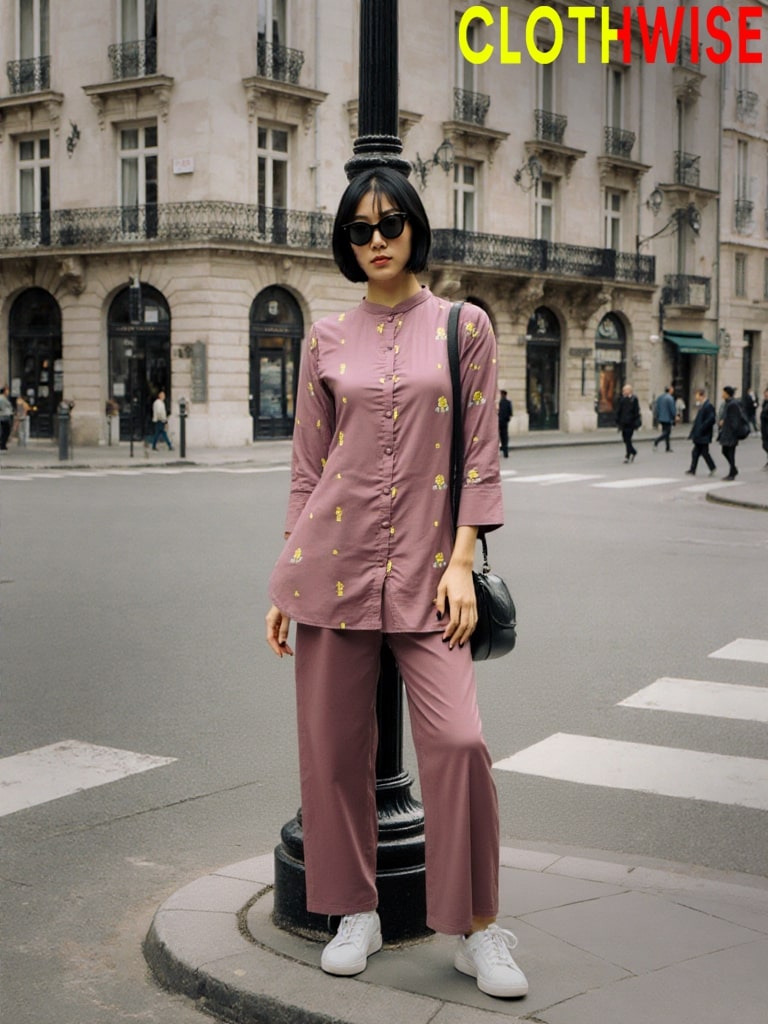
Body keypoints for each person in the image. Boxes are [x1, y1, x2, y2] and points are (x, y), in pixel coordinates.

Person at [265, 166, 528, 1000]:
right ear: (346, 244)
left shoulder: (463, 326)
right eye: (359, 230)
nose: (376, 240)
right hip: (332, 571)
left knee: (459, 743)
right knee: (333, 751)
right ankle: (355, 912)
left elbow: (480, 454)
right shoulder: (324, 340)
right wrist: (285, 581)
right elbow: (307, 471)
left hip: (430, 573)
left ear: (415, 227)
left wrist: (462, 562)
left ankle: (477, 928)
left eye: (389, 224)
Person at [685, 388, 716, 476]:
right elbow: (697, 422)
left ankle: (712, 467)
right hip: (700, 434)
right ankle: (693, 469)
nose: (696, 397)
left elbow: (711, 419)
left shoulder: (708, 406)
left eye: (697, 395)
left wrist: (702, 428)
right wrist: (693, 433)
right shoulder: (702, 406)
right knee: (695, 452)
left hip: (704, 434)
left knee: (704, 452)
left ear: (701, 395)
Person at [718, 385, 745, 480]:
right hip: (727, 431)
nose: (722, 395)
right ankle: (733, 469)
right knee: (725, 451)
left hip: (731, 433)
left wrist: (731, 428)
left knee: (730, 453)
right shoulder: (728, 403)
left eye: (723, 393)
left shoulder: (733, 404)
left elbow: (734, 420)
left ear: (727, 394)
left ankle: (732, 473)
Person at [615, 383, 640, 463]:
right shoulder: (622, 399)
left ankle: (628, 455)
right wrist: (617, 421)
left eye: (625, 390)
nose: (624, 391)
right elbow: (619, 410)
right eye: (623, 390)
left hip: (631, 422)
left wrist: (636, 422)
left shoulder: (634, 399)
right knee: (625, 439)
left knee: (628, 439)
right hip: (623, 422)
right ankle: (633, 451)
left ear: (629, 391)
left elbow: (636, 411)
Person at [652, 385, 676, 451]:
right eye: (672, 389)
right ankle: (657, 441)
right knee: (667, 433)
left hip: (661, 417)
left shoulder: (660, 397)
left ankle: (668, 447)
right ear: (670, 390)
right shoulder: (670, 398)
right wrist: (674, 416)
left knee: (665, 432)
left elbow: (657, 408)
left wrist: (658, 416)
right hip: (668, 418)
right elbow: (672, 409)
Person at [498, 389, 512, 458]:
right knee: (505, 437)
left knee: (501, 436)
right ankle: (505, 451)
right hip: (505, 422)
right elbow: (510, 412)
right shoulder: (508, 402)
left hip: (500, 421)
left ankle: (503, 449)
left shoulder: (500, 402)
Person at [760, 386, 768, 468]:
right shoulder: (765, 403)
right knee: (765, 445)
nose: (765, 395)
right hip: (764, 428)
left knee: (766, 445)